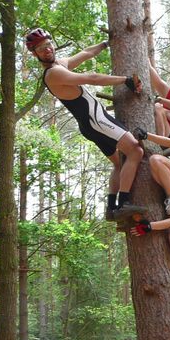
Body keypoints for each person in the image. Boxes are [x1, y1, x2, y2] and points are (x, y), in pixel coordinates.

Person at [25, 28, 145, 221]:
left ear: (52, 44)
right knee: (135, 151)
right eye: (40, 48)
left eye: (47, 45)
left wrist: (106, 43)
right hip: (96, 120)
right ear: (34, 54)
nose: (46, 50)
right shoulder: (53, 74)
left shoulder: (60, 64)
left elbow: (86, 53)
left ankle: (110, 207)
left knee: (118, 163)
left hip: (91, 123)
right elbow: (92, 78)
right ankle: (123, 204)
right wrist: (126, 80)